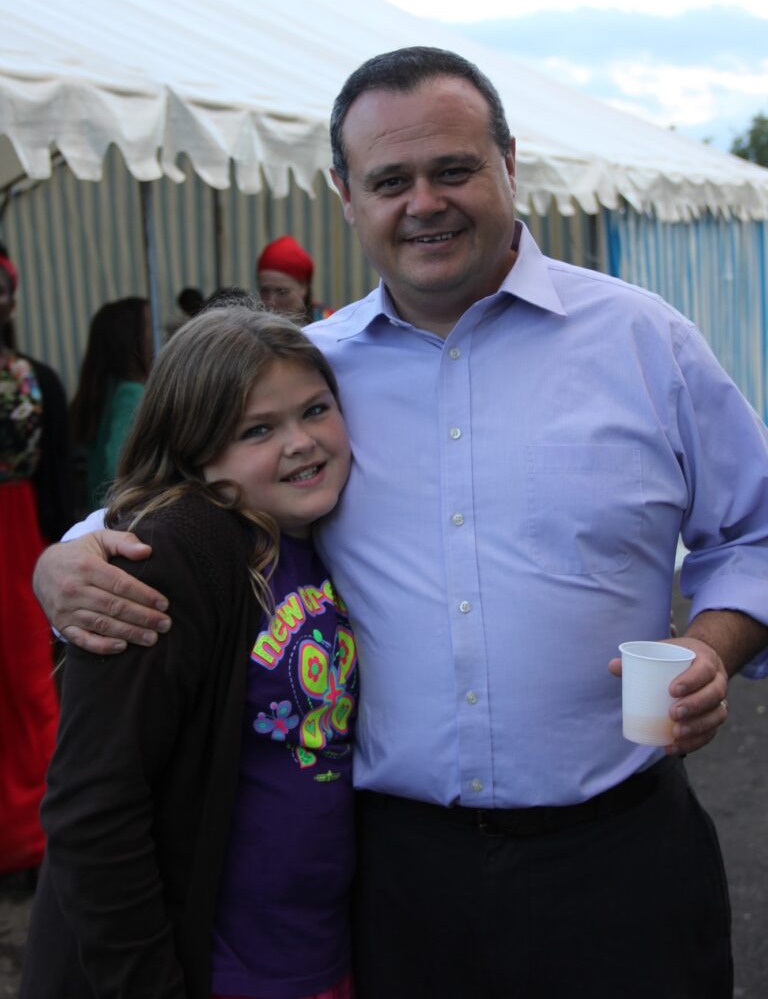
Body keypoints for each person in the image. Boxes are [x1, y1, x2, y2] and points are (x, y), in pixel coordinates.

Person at [34, 48, 768, 999]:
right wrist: (63, 559)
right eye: (390, 181)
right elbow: (163, 505)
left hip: (620, 859)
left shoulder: (644, 341)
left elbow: (753, 533)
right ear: (346, 195)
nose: (424, 203)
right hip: (395, 878)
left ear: (510, 162)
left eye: (453, 169)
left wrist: (712, 646)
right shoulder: (307, 379)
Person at [21, 305, 357, 999]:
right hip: (215, 968)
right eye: (258, 429)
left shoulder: (331, 534)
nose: (300, 443)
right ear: (195, 450)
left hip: (321, 952)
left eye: (315, 410)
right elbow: (94, 806)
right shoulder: (171, 559)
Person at [0, 247, 73, 880]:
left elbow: (59, 475)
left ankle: (33, 839)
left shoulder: (36, 379)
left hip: (22, 538)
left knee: (29, 687)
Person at [70, 296, 152, 508]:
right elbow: (120, 466)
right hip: (123, 514)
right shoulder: (131, 394)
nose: (157, 333)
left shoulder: (103, 390)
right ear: (132, 338)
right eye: (150, 326)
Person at [256, 235, 332, 324]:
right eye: (264, 291)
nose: (271, 302)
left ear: (304, 287)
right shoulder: (252, 326)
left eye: (282, 292)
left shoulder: (329, 324)